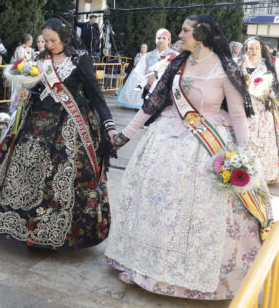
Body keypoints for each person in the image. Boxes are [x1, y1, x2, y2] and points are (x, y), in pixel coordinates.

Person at [106, 15, 266, 300]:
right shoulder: (178, 63)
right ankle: (146, 267)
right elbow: (152, 103)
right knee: (156, 203)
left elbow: (239, 115)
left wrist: (244, 155)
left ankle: (191, 276)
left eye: (185, 31)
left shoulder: (225, 67)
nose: (180, 35)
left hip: (208, 145)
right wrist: (125, 135)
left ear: (202, 35)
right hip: (167, 136)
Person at [0, 17, 117, 250]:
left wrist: (108, 124)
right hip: (36, 122)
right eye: (46, 40)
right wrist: (26, 87)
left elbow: (95, 94)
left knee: (58, 177)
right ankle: (23, 226)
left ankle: (53, 231)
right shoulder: (42, 58)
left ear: (64, 37)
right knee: (27, 171)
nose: (50, 45)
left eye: (53, 40)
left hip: (69, 125)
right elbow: (37, 87)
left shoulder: (80, 59)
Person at [240, 37, 279, 183]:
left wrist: (270, 93)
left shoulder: (268, 65)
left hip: (263, 111)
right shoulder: (240, 64)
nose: (254, 51)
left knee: (263, 144)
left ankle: (263, 176)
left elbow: (275, 86)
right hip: (243, 110)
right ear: (246, 49)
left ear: (261, 49)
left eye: (257, 47)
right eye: (251, 48)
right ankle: (243, 174)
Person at [132, 29, 178, 97]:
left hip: (168, 93)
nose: (161, 40)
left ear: (169, 40)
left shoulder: (175, 55)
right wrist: (147, 80)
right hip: (148, 91)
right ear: (155, 39)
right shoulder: (147, 56)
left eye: (164, 38)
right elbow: (138, 71)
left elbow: (178, 74)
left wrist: (157, 77)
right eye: (159, 38)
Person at [115, 43, 149, 109]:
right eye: (142, 47)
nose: (143, 48)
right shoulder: (137, 55)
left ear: (146, 49)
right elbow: (132, 63)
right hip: (135, 72)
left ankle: (139, 104)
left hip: (142, 73)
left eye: (144, 47)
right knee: (130, 86)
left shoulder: (148, 56)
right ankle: (127, 102)